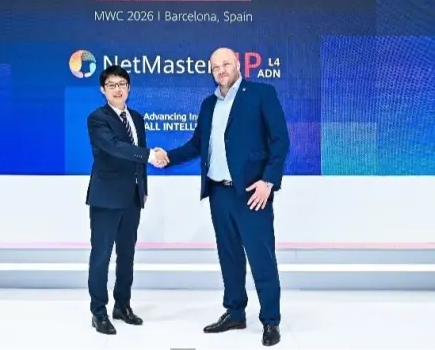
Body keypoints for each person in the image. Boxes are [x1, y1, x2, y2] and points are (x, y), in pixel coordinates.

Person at [154, 47, 289, 347]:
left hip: (252, 193)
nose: (221, 70)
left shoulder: (261, 94)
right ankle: (235, 313)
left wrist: (268, 181)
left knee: (261, 258)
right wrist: (168, 157)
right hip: (218, 193)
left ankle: (270, 320)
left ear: (238, 64)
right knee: (229, 256)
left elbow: (280, 141)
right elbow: (196, 145)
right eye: (215, 67)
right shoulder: (208, 104)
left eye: (226, 64)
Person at [85, 64, 167, 335]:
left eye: (122, 84)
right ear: (103, 90)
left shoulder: (137, 118)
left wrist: (143, 186)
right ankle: (99, 312)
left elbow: (137, 158)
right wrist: (149, 155)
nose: (117, 89)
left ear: (129, 88)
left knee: (127, 255)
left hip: (132, 197)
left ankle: (122, 305)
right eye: (112, 85)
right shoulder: (97, 118)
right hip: (106, 199)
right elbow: (114, 147)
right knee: (101, 255)